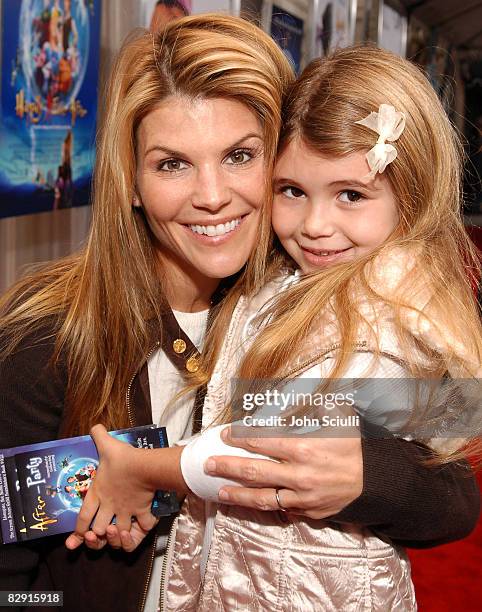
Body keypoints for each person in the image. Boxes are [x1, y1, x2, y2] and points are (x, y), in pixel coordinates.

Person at [0, 16, 478, 609]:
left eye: (239, 155)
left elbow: (454, 494)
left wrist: (358, 475)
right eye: (172, 163)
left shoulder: (297, 296)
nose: (211, 194)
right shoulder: (48, 329)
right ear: (132, 181)